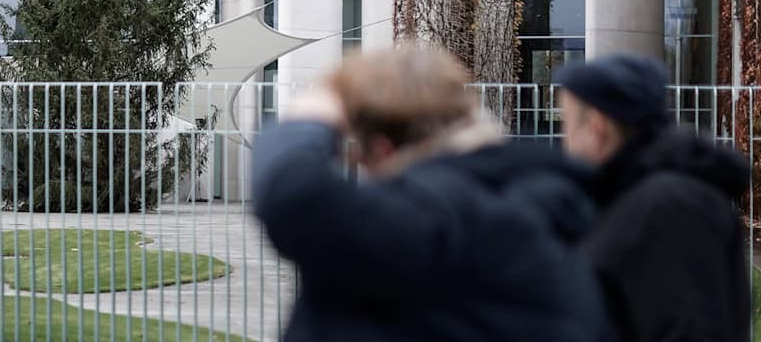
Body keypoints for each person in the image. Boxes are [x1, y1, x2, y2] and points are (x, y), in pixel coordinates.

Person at [253, 47, 614, 342]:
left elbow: (292, 195)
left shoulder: (442, 214)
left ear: (381, 150)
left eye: (358, 153)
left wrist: (309, 118)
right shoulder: (530, 201)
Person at [556, 53, 750, 342]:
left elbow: (688, 329)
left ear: (597, 127)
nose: (564, 140)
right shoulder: (642, 196)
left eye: (567, 125)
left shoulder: (668, 206)